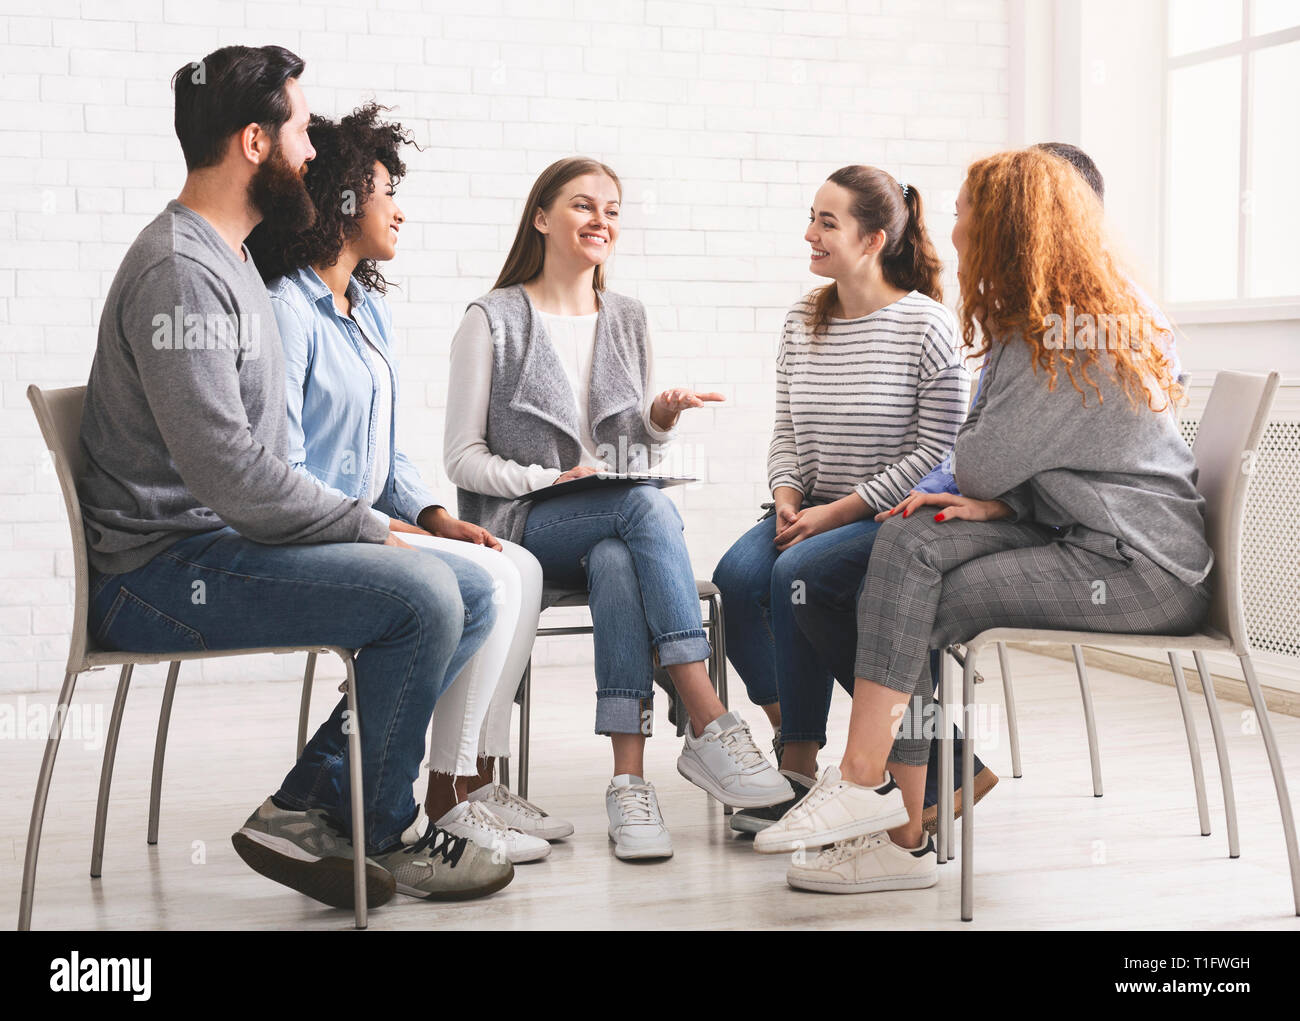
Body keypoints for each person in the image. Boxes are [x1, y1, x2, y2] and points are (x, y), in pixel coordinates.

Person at [77, 45, 512, 907]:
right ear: (253, 142)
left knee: (473, 586)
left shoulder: (232, 258)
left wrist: (391, 518)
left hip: (211, 543)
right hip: (157, 572)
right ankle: (385, 833)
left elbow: (254, 463)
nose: (313, 150)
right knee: (423, 596)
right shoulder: (182, 271)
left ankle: (311, 803)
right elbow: (234, 471)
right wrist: (369, 524)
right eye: (302, 130)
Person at [755, 146, 1210, 896]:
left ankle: (876, 802)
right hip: (1079, 532)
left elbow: (982, 458)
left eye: (967, 211)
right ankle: (890, 818)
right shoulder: (1044, 315)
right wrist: (993, 491)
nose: (954, 228)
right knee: (910, 545)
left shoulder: (1059, 331)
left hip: (1139, 569)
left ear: (1006, 224)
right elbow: (996, 458)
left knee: (913, 579)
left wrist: (991, 487)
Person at [445, 156, 792, 860]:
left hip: (605, 521)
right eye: (582, 205)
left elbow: (630, 456)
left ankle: (629, 787)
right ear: (541, 217)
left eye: (611, 209)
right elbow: (462, 456)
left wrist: (657, 421)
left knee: (617, 555)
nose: (601, 220)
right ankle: (706, 716)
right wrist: (547, 476)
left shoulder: (627, 318)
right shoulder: (492, 319)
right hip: (521, 526)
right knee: (643, 512)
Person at [245, 104, 564, 866]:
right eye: (384, 189)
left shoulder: (368, 315)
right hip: (312, 536)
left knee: (514, 564)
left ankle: (463, 783)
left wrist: (429, 514)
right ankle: (437, 795)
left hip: (367, 527)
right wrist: (391, 532)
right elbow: (279, 467)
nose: (399, 207)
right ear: (342, 200)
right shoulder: (286, 312)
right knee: (481, 582)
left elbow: (386, 459)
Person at [711, 165, 969, 835]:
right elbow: (787, 429)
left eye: (827, 222)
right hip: (809, 507)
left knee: (794, 573)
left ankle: (802, 761)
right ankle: (800, 737)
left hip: (893, 516)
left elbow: (939, 453)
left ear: (874, 238)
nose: (810, 234)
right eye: (812, 217)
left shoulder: (927, 325)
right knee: (737, 579)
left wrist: (839, 511)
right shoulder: (804, 318)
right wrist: (788, 494)